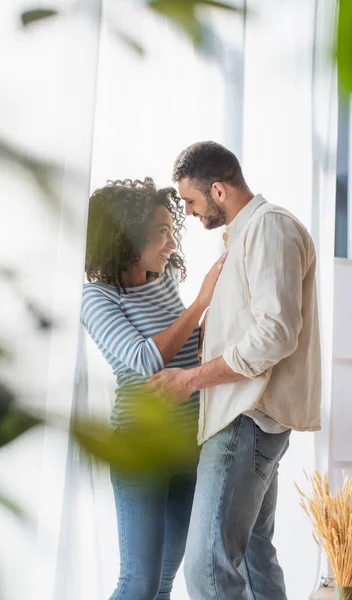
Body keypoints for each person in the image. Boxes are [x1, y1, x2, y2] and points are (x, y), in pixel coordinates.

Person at [148, 142, 321, 600]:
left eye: (190, 201)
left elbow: (276, 335)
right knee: (253, 562)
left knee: (207, 570)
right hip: (250, 419)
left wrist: (188, 380)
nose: (187, 212)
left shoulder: (269, 229)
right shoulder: (247, 236)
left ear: (218, 190)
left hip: (244, 419)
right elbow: (262, 324)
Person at [81, 177, 226, 600]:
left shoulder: (160, 280)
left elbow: (182, 351)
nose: (170, 243)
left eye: (170, 230)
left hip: (188, 445)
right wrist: (200, 304)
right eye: (160, 233)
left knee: (162, 582)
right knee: (138, 583)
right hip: (140, 449)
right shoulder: (97, 297)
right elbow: (146, 359)